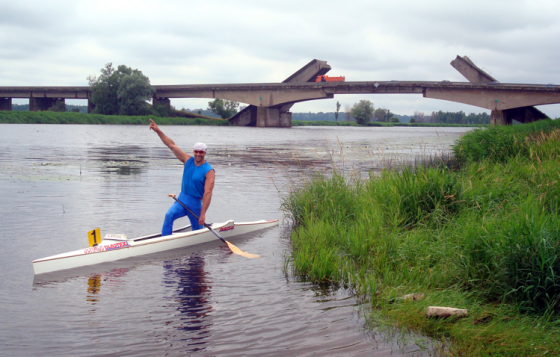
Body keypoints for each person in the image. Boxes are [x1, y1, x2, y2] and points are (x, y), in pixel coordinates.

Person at [149, 119, 215, 235]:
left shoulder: (209, 171)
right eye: (196, 151)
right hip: (182, 199)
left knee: (197, 232)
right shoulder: (187, 160)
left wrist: (203, 213)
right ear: (194, 151)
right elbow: (171, 145)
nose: (198, 154)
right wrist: (158, 131)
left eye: (201, 152)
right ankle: (165, 243)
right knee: (169, 215)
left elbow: (208, 193)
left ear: (205, 153)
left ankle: (198, 247)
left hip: (195, 204)